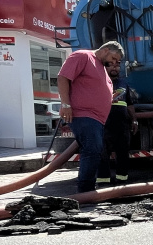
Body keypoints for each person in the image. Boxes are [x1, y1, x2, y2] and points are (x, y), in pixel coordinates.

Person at [58, 41, 125, 193]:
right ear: (106, 50)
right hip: (84, 115)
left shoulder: (100, 66)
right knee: (92, 150)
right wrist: (66, 105)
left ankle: (87, 189)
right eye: (114, 57)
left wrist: (108, 99)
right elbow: (63, 77)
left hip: (96, 119)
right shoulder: (83, 56)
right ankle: (85, 190)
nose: (114, 62)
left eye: (117, 61)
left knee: (94, 150)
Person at [97, 58, 138, 186]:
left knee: (123, 154)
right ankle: (103, 183)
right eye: (110, 64)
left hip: (122, 126)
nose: (114, 68)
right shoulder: (98, 82)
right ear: (105, 67)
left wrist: (134, 120)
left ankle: (122, 181)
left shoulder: (123, 83)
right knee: (102, 155)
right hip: (104, 125)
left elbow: (129, 104)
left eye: (117, 65)